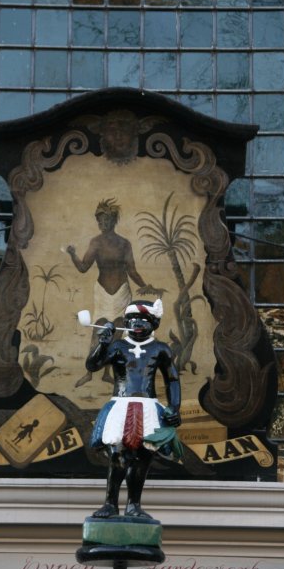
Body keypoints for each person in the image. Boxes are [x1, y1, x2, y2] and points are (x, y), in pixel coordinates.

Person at [86, 299, 182, 519]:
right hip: (121, 405)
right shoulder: (118, 347)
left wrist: (174, 408)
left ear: (154, 323)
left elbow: (173, 380)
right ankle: (110, 503)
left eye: (144, 320)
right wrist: (103, 343)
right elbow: (93, 365)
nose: (138, 323)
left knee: (143, 456)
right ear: (126, 322)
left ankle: (134, 505)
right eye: (133, 319)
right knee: (117, 454)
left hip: (148, 408)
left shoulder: (160, 349)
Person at [67, 198, 160, 386]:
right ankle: (89, 371)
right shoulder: (96, 242)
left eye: (107, 220)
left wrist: (145, 285)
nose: (103, 224)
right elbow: (84, 267)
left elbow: (132, 270)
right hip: (102, 291)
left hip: (122, 292)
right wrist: (72, 254)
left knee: (118, 331)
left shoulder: (124, 244)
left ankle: (107, 373)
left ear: (114, 220)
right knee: (98, 330)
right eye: (100, 220)